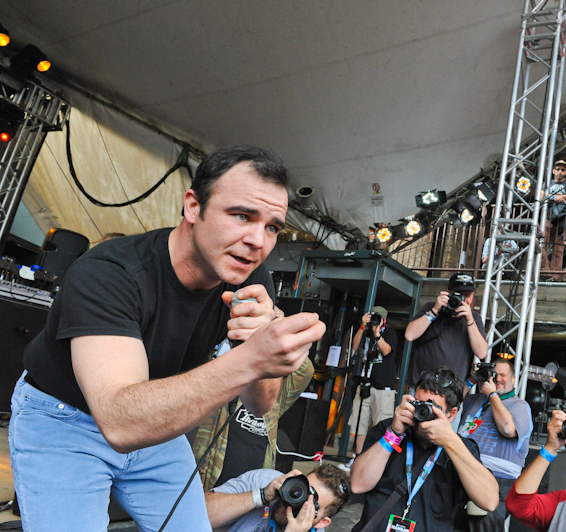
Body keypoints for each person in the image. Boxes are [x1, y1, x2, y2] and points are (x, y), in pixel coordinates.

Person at [8, 145, 327, 531]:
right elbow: (121, 423)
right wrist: (250, 359)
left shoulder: (251, 277)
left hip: (156, 421)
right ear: (193, 206)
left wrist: (267, 357)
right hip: (66, 419)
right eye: (242, 215)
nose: (258, 241)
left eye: (272, 226)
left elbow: (261, 405)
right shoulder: (111, 272)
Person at [349, 366, 499, 532]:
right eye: (419, 404)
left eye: (432, 408)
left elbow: (490, 501)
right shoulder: (388, 430)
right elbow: (357, 485)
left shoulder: (461, 448)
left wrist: (450, 442)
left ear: (451, 414)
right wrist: (392, 435)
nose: (423, 413)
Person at [192, 358, 315, 489]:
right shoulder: (226, 389)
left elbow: (305, 370)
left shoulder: (275, 402)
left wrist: (274, 343)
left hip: (253, 491)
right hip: (212, 483)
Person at [458, 358, 533, 532]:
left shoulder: (519, 405)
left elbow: (508, 429)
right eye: (494, 374)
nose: (497, 379)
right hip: (464, 471)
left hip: (498, 478)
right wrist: (472, 380)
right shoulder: (476, 400)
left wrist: (492, 395)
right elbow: (450, 401)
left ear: (513, 379)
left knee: (484, 526)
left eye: (502, 375)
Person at [339, 305, 399, 472]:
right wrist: (362, 326)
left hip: (383, 387)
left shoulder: (390, 334)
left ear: (384, 320)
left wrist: (377, 333)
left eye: (378, 318)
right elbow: (356, 347)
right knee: (360, 423)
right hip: (365, 384)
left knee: (382, 424)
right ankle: (358, 458)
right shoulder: (365, 332)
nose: (375, 321)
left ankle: (379, 462)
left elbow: (386, 351)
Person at [205, 464, 350, 532]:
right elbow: (193, 514)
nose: (297, 502)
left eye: (310, 504)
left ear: (322, 522)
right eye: (302, 491)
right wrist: (260, 496)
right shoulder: (265, 481)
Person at [406, 273, 488, 384]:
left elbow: (482, 353)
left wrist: (469, 320)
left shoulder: (474, 318)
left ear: (473, 295)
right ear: (448, 293)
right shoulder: (431, 307)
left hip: (451, 389)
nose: (462, 300)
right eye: (458, 294)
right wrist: (435, 311)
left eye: (467, 295)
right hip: (422, 384)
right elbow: (409, 335)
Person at [541, 160, 566, 281]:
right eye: (558, 169)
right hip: (548, 217)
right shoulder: (547, 183)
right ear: (553, 170)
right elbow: (541, 195)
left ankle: (554, 276)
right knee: (541, 245)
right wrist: (555, 197)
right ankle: (544, 272)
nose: (560, 172)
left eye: (563, 170)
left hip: (562, 219)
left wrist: (551, 196)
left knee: (558, 250)